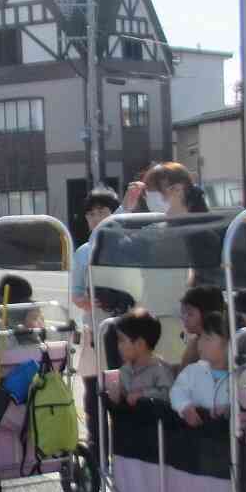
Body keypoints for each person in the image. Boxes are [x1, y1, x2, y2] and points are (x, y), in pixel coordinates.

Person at [72, 186, 121, 444]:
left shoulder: (130, 244)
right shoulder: (82, 253)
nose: (96, 218)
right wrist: (93, 301)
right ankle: (97, 445)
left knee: (122, 388)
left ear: (115, 213)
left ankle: (124, 445)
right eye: (91, 214)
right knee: (93, 390)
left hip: (125, 330)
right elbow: (77, 295)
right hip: (94, 330)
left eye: (102, 211)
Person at [170, 311, 233, 426]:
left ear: (228, 344)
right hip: (198, 436)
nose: (200, 343)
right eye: (200, 337)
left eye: (208, 338)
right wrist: (184, 407)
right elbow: (177, 392)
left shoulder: (240, 375)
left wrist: (230, 408)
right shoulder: (192, 371)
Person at [109, 307, 173, 405]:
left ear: (140, 344)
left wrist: (144, 394)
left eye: (121, 340)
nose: (118, 345)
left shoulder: (160, 369)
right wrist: (117, 394)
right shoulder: (124, 370)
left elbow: (168, 394)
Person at [178, 285, 226, 368]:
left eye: (190, 313)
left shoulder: (196, 345)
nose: (184, 318)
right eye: (183, 312)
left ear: (207, 314)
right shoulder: (195, 341)